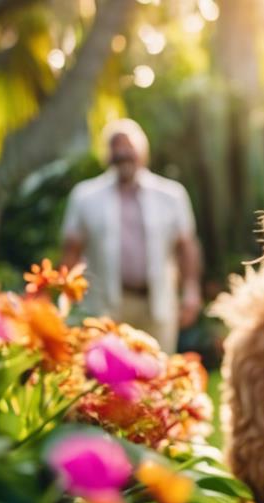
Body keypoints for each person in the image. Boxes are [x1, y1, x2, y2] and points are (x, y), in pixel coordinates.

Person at [61, 119, 202, 352]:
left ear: (143, 153)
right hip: (105, 306)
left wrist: (191, 291)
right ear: (107, 155)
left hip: (156, 305)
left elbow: (186, 247)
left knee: (158, 376)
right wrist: (65, 301)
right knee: (106, 380)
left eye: (129, 149)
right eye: (117, 149)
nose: (123, 154)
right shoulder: (85, 197)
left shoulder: (171, 195)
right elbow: (71, 250)